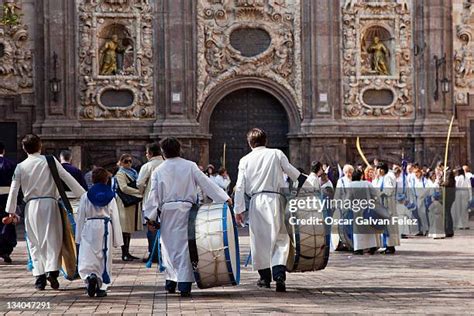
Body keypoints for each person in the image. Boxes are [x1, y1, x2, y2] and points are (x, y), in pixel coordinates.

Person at [143, 137, 231, 297]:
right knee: (185, 246)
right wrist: (224, 198)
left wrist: (150, 217)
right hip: (187, 211)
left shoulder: (159, 170)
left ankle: (172, 281)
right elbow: (206, 183)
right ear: (179, 149)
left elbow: (153, 195)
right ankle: (183, 282)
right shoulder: (190, 166)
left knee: (169, 246)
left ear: (163, 152)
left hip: (167, 211)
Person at [5, 134, 86, 290]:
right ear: (40, 145)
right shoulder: (50, 161)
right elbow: (67, 178)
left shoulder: (20, 166)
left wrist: (10, 211)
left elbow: (14, 190)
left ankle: (39, 278)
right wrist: (84, 195)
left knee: (34, 241)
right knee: (53, 239)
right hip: (50, 204)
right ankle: (52, 272)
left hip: (31, 206)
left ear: (23, 148)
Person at [234, 128, 306, 292]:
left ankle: (265, 279)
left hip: (256, 202)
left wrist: (239, 210)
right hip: (276, 199)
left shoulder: (245, 160)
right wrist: (301, 189)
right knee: (280, 237)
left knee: (260, 240)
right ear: (266, 140)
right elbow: (295, 174)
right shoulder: (276, 154)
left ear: (249, 143)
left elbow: (239, 186)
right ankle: (279, 274)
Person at [76, 167, 123, 298]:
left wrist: (78, 237)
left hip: (89, 225)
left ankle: (90, 276)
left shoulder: (85, 196)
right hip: (105, 226)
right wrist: (117, 240)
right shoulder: (111, 197)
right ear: (106, 180)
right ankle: (102, 287)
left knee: (88, 254)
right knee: (104, 255)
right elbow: (115, 217)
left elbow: (80, 217)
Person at [137, 143, 164, 263]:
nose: (146, 155)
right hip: (167, 201)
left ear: (151, 153)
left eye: (147, 153)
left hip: (151, 202)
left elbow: (140, 183)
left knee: (152, 229)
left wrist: (142, 193)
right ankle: (164, 254)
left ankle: (153, 254)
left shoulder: (148, 166)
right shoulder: (167, 164)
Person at [114, 154, 143, 261]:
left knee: (129, 228)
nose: (129, 163)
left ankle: (127, 252)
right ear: (121, 162)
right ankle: (124, 253)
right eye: (126, 161)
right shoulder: (120, 173)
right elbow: (124, 188)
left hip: (131, 202)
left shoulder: (134, 173)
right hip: (124, 202)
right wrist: (138, 192)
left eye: (130, 161)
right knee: (125, 228)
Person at [349, 170, 380, 255]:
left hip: (357, 209)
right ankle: (372, 247)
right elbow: (375, 195)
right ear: (361, 176)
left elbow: (348, 198)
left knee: (358, 230)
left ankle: (359, 248)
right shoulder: (367, 184)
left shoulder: (350, 185)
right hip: (368, 208)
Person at [373, 162, 400, 254]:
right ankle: (387, 245)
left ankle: (390, 246)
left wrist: (380, 193)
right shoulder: (382, 177)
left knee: (389, 226)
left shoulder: (388, 177)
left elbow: (389, 189)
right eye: (378, 169)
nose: (379, 171)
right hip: (383, 203)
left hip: (387, 204)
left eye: (381, 169)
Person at [0, 142, 17, 263]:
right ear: (3, 151)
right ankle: (5, 250)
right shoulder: (11, 164)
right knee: (7, 223)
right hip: (7, 197)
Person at [410, 167, 430, 236]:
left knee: (423, 214)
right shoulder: (413, 181)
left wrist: (422, 195)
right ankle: (420, 229)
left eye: (417, 172)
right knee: (417, 215)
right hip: (416, 199)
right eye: (415, 173)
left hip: (422, 199)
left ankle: (426, 229)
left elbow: (427, 188)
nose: (416, 174)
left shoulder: (424, 180)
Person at [440, 169, 456, 237]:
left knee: (447, 212)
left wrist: (441, 183)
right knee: (447, 212)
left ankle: (449, 230)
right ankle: (448, 229)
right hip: (447, 195)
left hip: (449, 196)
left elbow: (447, 183)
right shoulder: (445, 173)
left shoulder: (449, 172)